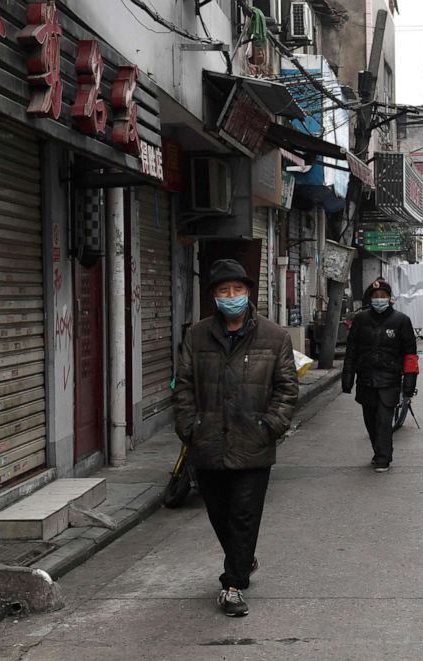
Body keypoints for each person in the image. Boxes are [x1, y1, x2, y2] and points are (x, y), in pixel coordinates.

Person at [173, 259, 299, 617]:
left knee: (245, 515)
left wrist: (269, 426)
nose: (232, 297)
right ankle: (242, 559)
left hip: (253, 444)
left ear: (248, 293)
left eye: (238, 290)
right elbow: (182, 386)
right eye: (224, 291)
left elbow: (287, 389)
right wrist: (190, 427)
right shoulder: (197, 336)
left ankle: (233, 585)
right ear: (215, 296)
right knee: (220, 515)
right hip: (208, 443)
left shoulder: (275, 337)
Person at [341, 279, 418, 472]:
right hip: (366, 379)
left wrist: (409, 382)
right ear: (370, 299)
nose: (379, 300)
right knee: (370, 420)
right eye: (376, 297)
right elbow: (351, 351)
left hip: (389, 380)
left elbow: (410, 355)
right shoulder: (361, 320)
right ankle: (378, 451)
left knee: (384, 420)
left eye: (383, 296)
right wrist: (347, 378)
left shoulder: (401, 321)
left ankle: (384, 457)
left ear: (389, 298)